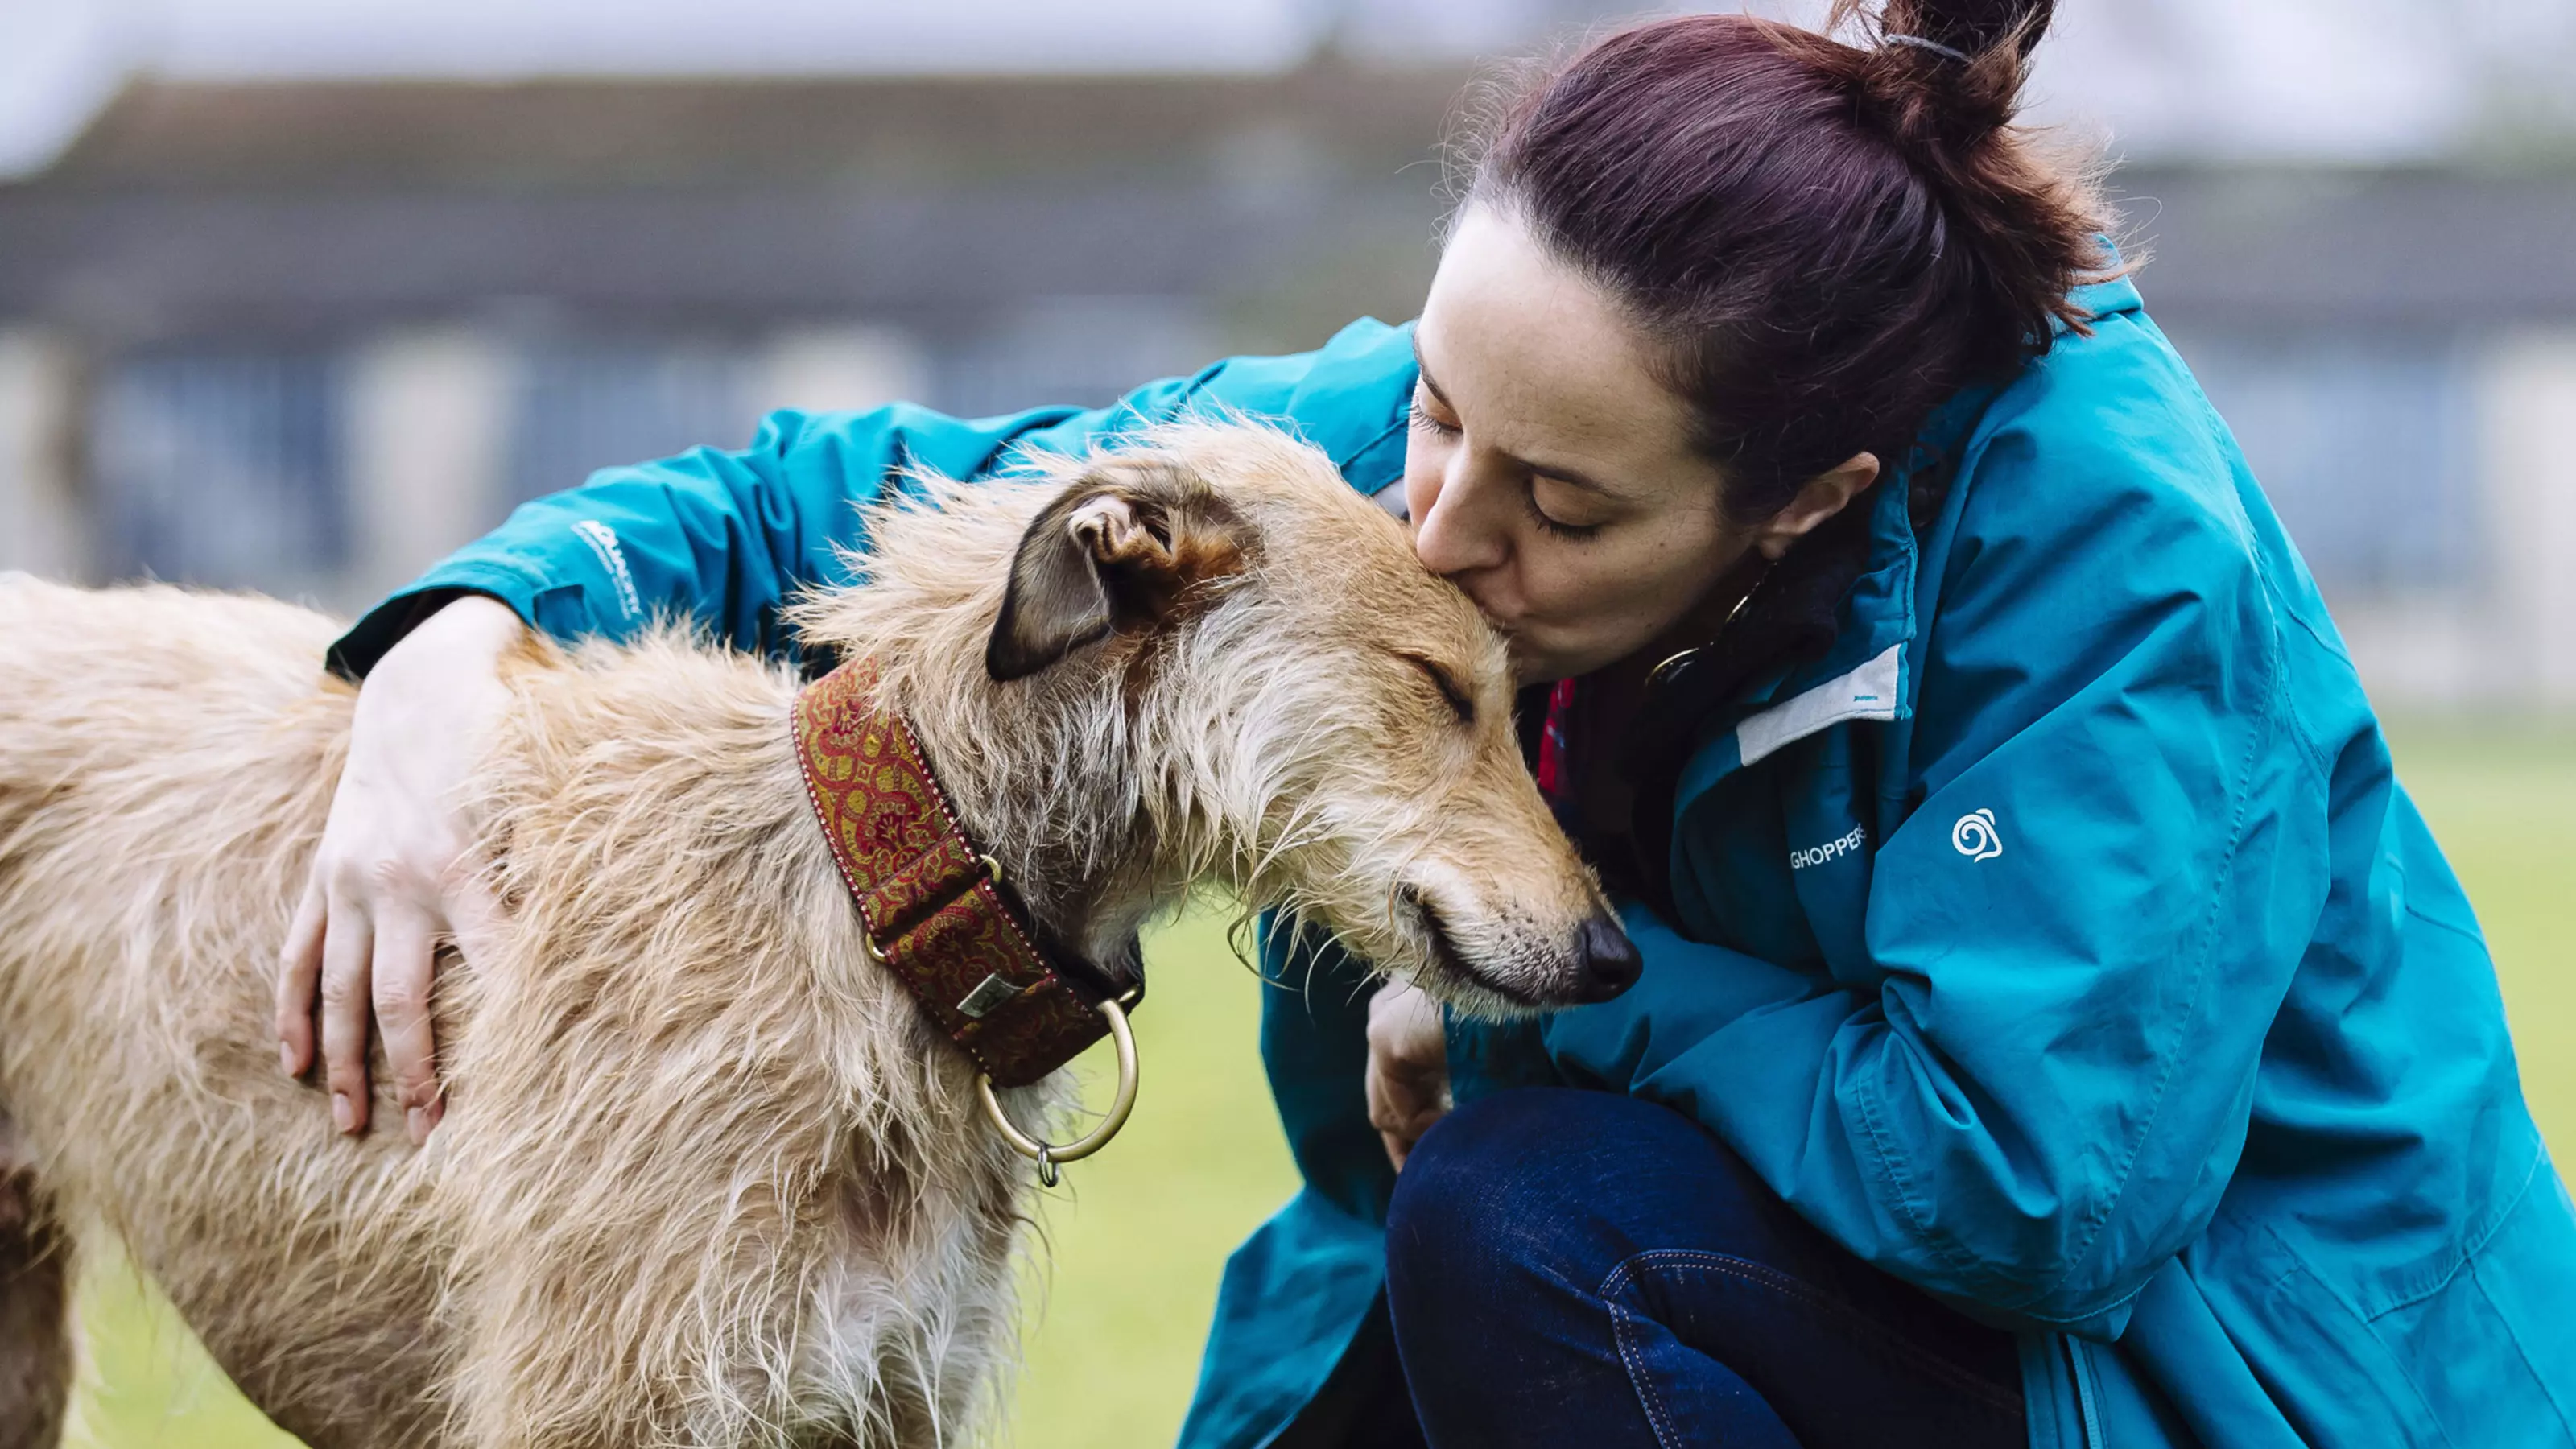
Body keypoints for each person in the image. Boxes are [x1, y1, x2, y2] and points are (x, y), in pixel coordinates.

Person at [273, 2, 2576, 1445]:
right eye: (1442, 412)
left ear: (1812, 504)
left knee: (1517, 1215)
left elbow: (2033, 1184)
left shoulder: (2111, 558)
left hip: (2207, 1370)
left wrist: (1536, 1024)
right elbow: (816, 501)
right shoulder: (1376, 468)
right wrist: (462, 637)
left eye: (1554, 498)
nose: (1438, 527)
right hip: (1702, 1243)